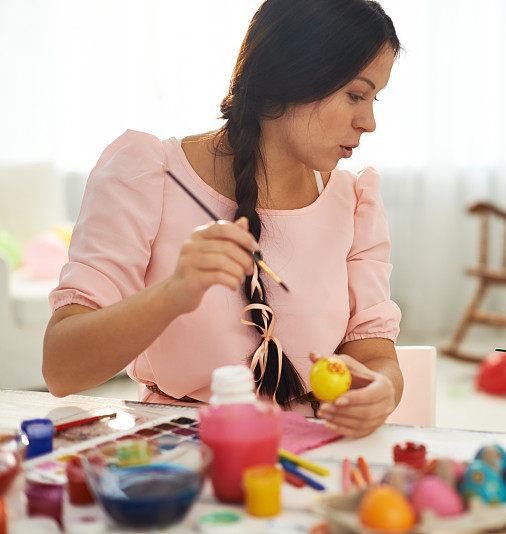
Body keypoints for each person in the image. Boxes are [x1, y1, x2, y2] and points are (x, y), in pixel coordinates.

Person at [43, 0, 403, 438]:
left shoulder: (355, 200)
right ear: (293, 74)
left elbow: (374, 353)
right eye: (356, 95)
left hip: (314, 452)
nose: (369, 122)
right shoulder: (147, 173)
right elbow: (61, 369)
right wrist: (175, 293)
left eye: (374, 99)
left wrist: (382, 390)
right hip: (180, 453)